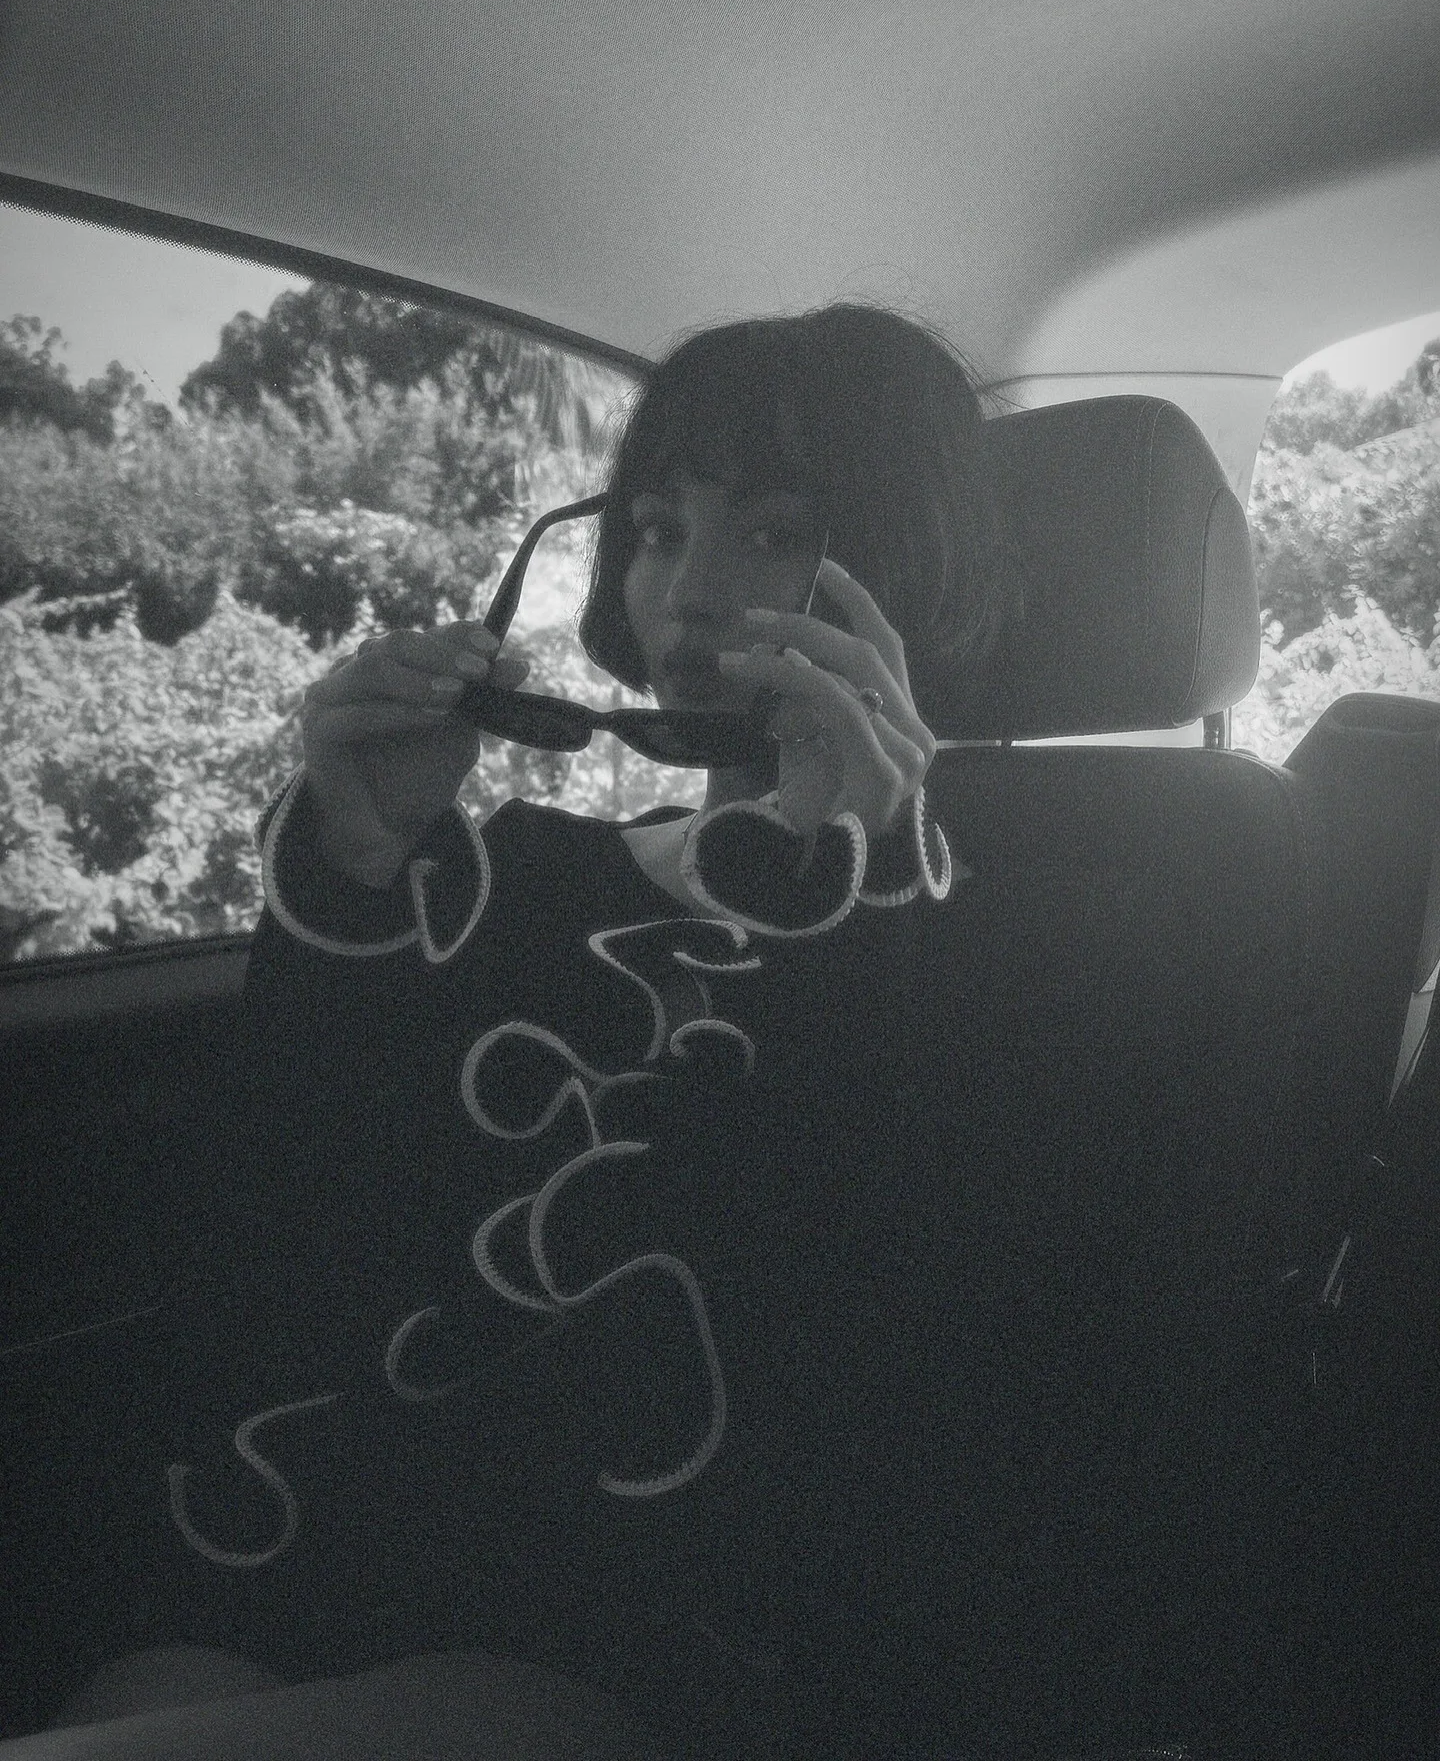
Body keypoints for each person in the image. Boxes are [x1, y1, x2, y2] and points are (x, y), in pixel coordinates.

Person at [23, 303, 1012, 1758]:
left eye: (773, 532)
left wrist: (839, 906)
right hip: (377, 1553)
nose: (686, 594)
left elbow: (868, 1326)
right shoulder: (534, 874)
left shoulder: (1012, 933)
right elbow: (298, 1234)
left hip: (688, 1634)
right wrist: (354, 876)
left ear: (903, 568)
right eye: (657, 532)